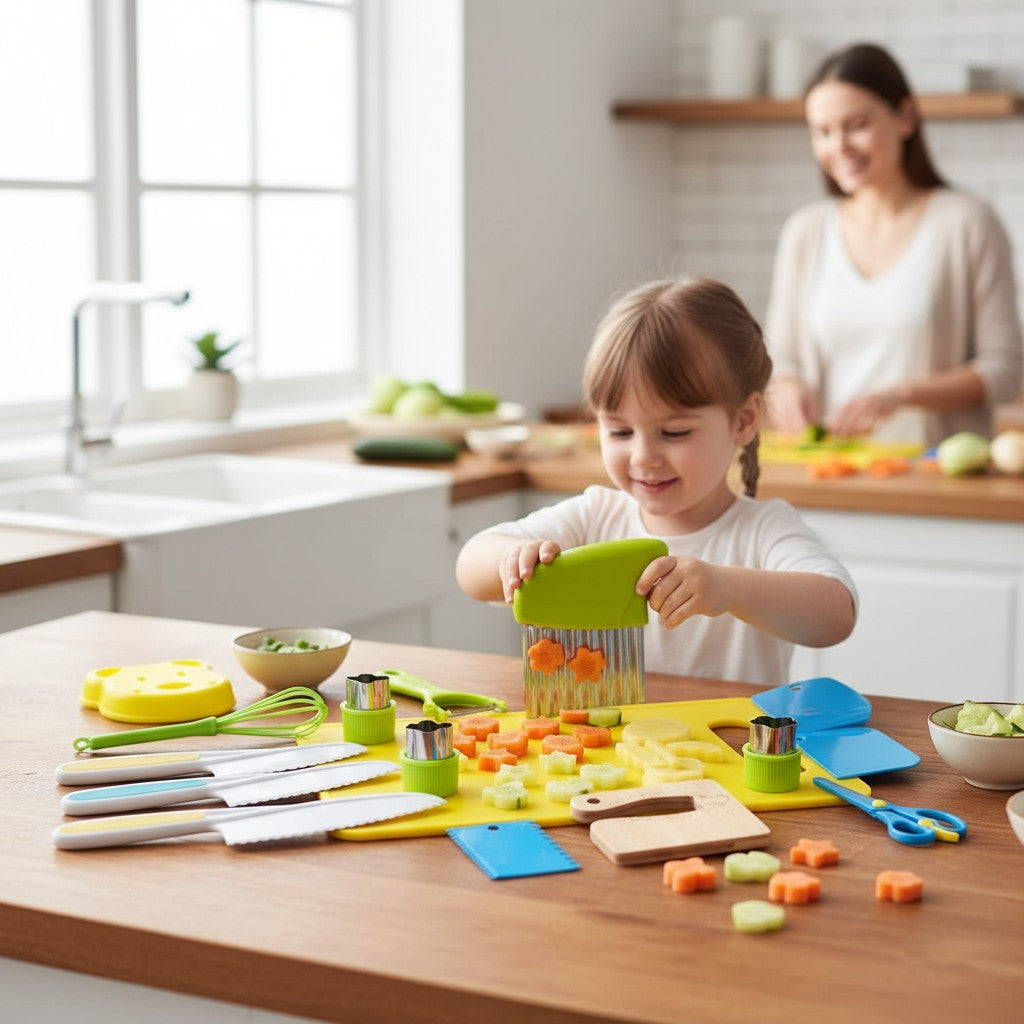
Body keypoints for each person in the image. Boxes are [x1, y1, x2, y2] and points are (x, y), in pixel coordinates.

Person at [456, 277, 857, 687]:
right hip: (611, 745)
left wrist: (729, 588)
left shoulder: (762, 530)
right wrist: (514, 557)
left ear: (744, 420)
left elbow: (836, 614)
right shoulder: (595, 517)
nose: (643, 457)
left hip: (732, 746)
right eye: (619, 432)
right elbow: (470, 565)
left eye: (674, 433)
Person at [765, 42, 1023, 445]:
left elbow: (1005, 371)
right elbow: (781, 359)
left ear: (905, 117)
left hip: (930, 474)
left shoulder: (968, 223)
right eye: (823, 131)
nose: (840, 147)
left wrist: (901, 396)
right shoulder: (805, 232)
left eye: (857, 125)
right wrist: (786, 385)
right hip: (829, 469)